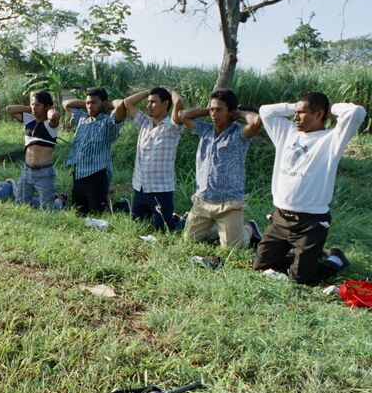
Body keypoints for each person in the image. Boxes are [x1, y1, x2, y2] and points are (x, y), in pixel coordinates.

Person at [253, 93, 367, 285]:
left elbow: (356, 111)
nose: (295, 117)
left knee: (302, 279)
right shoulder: (286, 132)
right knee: (260, 266)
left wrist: (332, 108)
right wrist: (294, 106)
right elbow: (266, 111)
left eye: (302, 113)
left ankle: (334, 260)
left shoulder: (331, 140)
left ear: (319, 114)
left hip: (311, 223)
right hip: (280, 219)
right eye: (295, 113)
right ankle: (309, 256)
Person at [178, 89, 262, 248]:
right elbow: (183, 115)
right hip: (203, 200)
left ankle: (249, 229)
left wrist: (238, 113)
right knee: (189, 240)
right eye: (212, 110)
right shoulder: (206, 130)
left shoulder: (238, 134)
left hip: (229, 203)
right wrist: (208, 109)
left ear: (230, 112)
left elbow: (257, 121)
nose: (214, 114)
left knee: (233, 248)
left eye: (219, 110)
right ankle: (220, 229)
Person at [123, 87, 184, 230]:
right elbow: (127, 103)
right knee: (138, 225)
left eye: (153, 102)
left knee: (164, 229)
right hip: (140, 187)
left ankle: (183, 221)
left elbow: (179, 102)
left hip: (161, 190)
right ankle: (171, 217)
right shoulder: (144, 122)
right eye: (148, 102)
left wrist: (169, 90)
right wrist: (148, 91)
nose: (148, 105)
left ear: (165, 104)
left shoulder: (172, 126)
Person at [63, 88, 126, 215]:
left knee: (97, 215)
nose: (89, 106)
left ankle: (122, 207)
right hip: (78, 175)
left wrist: (107, 105)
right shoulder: (83, 119)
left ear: (104, 104)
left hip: (97, 176)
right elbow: (67, 104)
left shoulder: (107, 122)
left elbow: (121, 104)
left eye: (93, 103)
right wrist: (88, 104)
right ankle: (120, 206)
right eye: (88, 103)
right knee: (79, 215)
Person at [6, 90, 66, 210]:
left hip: (44, 173)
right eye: (33, 104)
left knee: (48, 210)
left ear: (47, 107)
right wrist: (32, 108)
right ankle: (52, 199)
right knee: (21, 204)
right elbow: (9, 109)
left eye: (38, 105)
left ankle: (60, 201)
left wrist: (48, 109)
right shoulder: (29, 120)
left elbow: (54, 115)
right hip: (27, 171)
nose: (34, 107)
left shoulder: (50, 125)